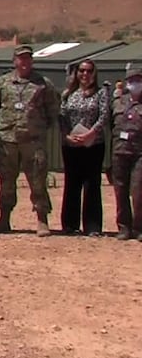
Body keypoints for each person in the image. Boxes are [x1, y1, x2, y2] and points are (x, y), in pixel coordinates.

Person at [0, 45, 59, 235]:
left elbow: (53, 110)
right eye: (21, 58)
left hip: (33, 141)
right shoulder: (2, 83)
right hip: (8, 141)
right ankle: (4, 219)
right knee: (6, 181)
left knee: (37, 180)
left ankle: (42, 219)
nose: (24, 62)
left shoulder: (43, 84)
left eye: (28, 58)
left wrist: (39, 128)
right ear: (14, 61)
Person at [59, 60, 109, 236]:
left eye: (88, 71)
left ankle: (93, 226)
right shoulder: (68, 94)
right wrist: (66, 135)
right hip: (71, 145)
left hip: (93, 145)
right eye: (81, 71)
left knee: (92, 184)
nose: (85, 74)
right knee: (72, 183)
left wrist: (90, 134)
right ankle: (70, 224)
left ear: (94, 73)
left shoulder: (101, 93)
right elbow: (62, 117)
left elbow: (103, 117)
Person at [109, 67, 142, 240]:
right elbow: (110, 125)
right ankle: (124, 227)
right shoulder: (118, 102)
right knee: (120, 190)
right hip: (119, 151)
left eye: (138, 80)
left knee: (138, 191)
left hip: (139, 153)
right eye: (131, 80)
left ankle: (139, 227)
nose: (134, 83)